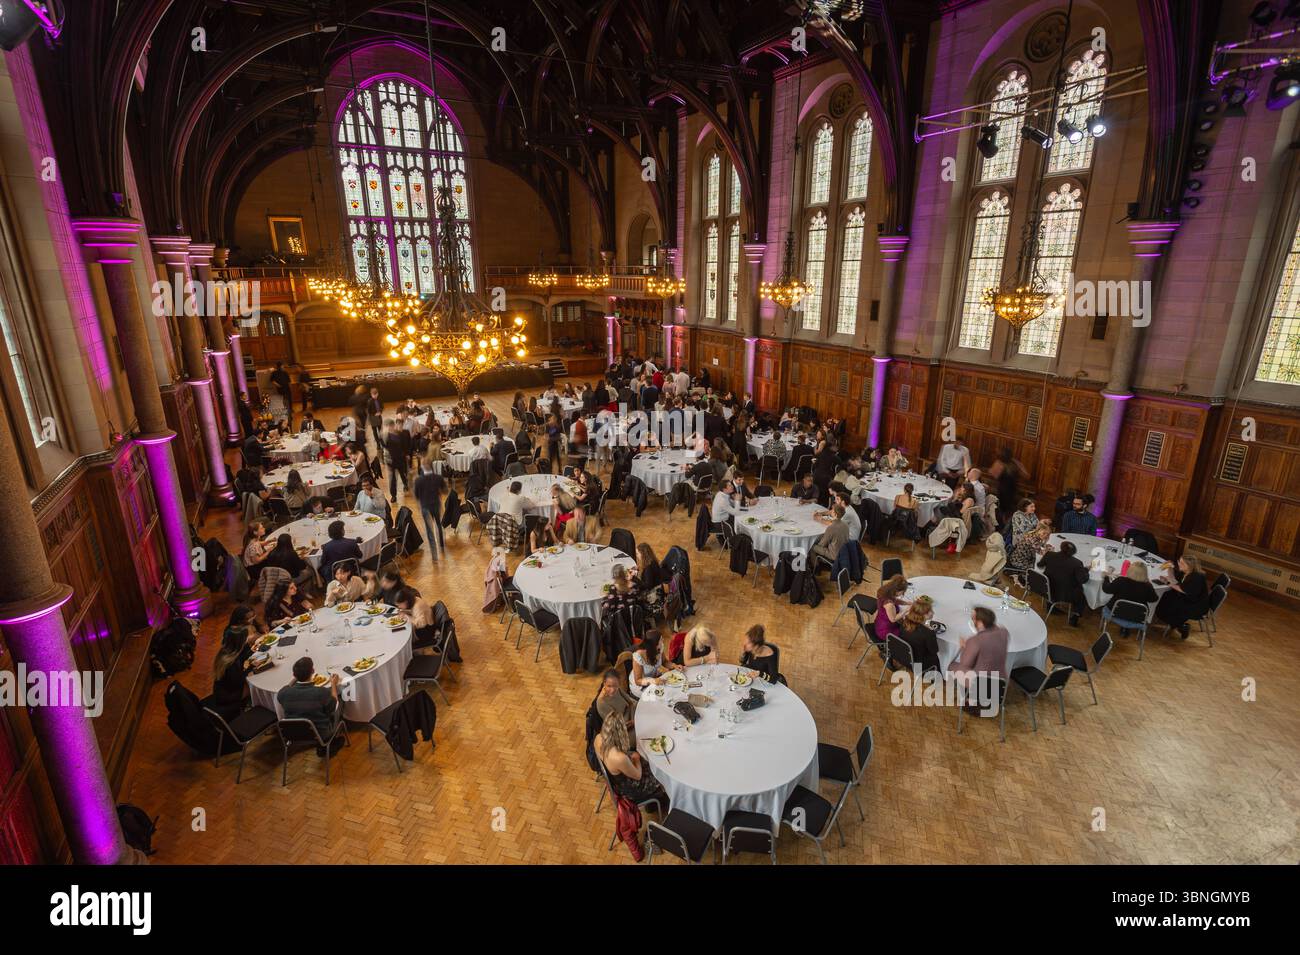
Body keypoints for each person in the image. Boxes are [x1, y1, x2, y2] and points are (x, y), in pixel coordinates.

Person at [594, 712, 667, 804]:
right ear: (620, 734)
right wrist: (636, 758)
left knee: (647, 760)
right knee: (660, 772)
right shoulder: (620, 757)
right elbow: (638, 775)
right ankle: (661, 797)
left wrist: (626, 726)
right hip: (632, 789)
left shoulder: (598, 738)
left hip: (615, 777)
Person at [276, 657, 343, 754]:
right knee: (340, 701)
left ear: (294, 675)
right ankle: (332, 741)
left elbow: (287, 687)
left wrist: (297, 677)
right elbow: (335, 706)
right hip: (321, 734)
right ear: (313, 671)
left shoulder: (283, 693)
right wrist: (333, 684)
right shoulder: (320, 692)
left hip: (294, 735)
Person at [210, 606, 264, 716]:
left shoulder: (229, 652)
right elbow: (241, 679)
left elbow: (246, 657)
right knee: (259, 688)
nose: (249, 640)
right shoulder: (231, 664)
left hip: (227, 689)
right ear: (240, 642)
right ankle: (255, 710)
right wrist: (251, 667)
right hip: (229, 696)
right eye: (247, 638)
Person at [949, 607, 1010, 695]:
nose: (972, 621)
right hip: (1000, 683)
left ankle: (965, 693)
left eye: (973, 619)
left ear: (980, 623)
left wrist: (964, 647)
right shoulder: (1004, 632)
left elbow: (965, 664)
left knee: (951, 665)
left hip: (979, 684)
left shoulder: (975, 640)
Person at [1154, 555, 1209, 638]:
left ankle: (1182, 627)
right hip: (1186, 598)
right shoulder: (1185, 571)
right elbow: (1173, 579)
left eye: (1182, 563)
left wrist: (1168, 583)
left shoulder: (1196, 577)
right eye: (1179, 561)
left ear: (1189, 566)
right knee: (1165, 597)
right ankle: (1174, 622)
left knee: (1168, 606)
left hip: (1194, 605)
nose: (1179, 564)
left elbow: (1183, 590)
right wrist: (1170, 567)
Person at [1038, 539, 1090, 626]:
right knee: (1082, 596)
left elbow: (1040, 565)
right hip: (1064, 594)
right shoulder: (1077, 563)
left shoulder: (1049, 554)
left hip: (1047, 589)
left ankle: (1050, 606)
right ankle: (1075, 616)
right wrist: (1086, 570)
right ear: (1073, 552)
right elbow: (1083, 580)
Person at [1101, 561, 1159, 631]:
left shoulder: (1121, 581)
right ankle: (1126, 628)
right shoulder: (1147, 587)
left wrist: (1106, 578)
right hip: (1138, 617)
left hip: (1114, 613)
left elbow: (1106, 589)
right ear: (1145, 573)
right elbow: (1154, 599)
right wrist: (1149, 584)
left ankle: (1124, 627)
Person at [897, 595, 941, 674]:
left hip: (903, 657)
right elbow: (934, 651)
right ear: (924, 615)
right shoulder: (928, 633)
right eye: (930, 611)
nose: (933, 612)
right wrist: (931, 633)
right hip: (919, 663)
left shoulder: (905, 621)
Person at [628, 630, 678, 697]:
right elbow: (638, 681)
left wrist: (674, 665)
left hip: (654, 678)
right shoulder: (638, 656)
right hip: (640, 685)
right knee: (659, 696)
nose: (663, 640)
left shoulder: (659, 648)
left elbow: (665, 662)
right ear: (654, 645)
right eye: (661, 639)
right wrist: (653, 681)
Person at [413, 467, 447, 559]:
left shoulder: (418, 480)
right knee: (439, 525)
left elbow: (416, 496)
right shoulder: (438, 477)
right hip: (436, 504)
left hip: (425, 507)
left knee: (429, 530)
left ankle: (434, 554)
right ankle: (442, 545)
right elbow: (445, 491)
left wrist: (419, 504)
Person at [874, 574, 910, 642]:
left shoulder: (885, 591)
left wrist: (907, 603)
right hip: (886, 631)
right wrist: (906, 610)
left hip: (880, 622)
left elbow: (895, 600)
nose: (902, 594)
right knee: (909, 633)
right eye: (903, 592)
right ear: (898, 591)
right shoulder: (889, 604)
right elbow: (893, 619)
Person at [383, 418, 412, 497]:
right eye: (387, 426)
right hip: (391, 461)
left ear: (393, 426)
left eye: (390, 426)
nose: (389, 428)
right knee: (392, 479)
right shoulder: (385, 436)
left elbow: (404, 445)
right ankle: (393, 495)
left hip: (400, 459)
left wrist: (406, 454)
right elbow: (384, 448)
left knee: (403, 474)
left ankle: (405, 484)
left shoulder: (400, 434)